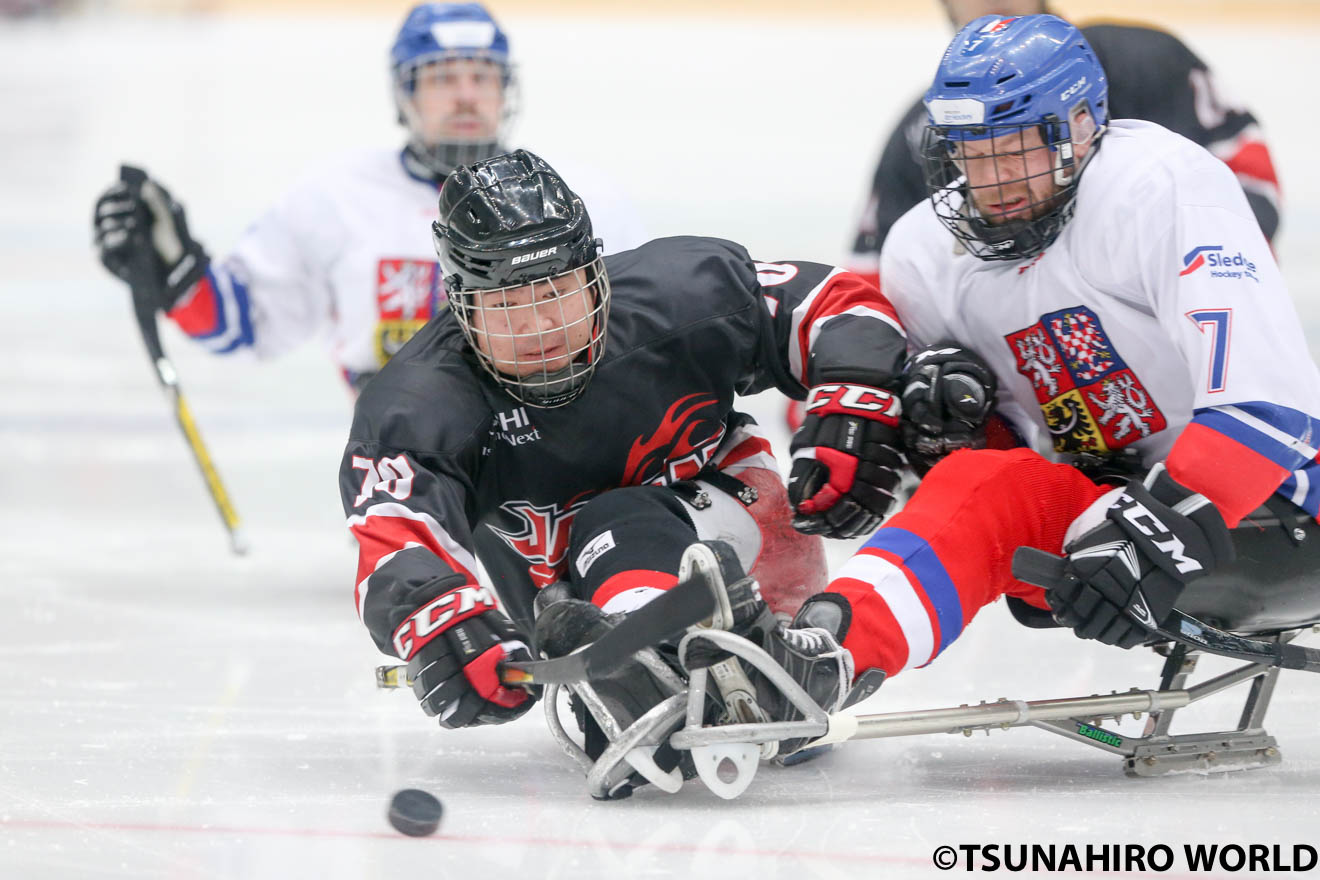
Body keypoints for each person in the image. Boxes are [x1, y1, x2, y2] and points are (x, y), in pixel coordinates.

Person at [761, 15, 1320, 701]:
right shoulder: (924, 253)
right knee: (980, 487)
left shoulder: (1162, 185)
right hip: (1122, 514)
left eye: (1015, 148)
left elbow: (1267, 405)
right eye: (970, 152)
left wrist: (1152, 533)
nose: (991, 180)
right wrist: (946, 431)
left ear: (1082, 125)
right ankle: (817, 664)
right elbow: (1010, 460)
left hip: (1280, 510)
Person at [339, 149, 911, 798]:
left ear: (596, 271)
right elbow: (392, 526)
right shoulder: (423, 400)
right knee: (587, 641)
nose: (540, 325)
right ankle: (655, 665)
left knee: (616, 519)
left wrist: (855, 400)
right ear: (463, 309)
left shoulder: (681, 296)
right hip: (574, 614)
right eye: (506, 303)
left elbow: (832, 305)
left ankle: (654, 654)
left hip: (752, 552)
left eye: (556, 289)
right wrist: (439, 619)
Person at [91, 2, 645, 392]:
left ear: (507, 89)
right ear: (405, 93)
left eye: (482, 76)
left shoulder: (580, 200)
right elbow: (245, 324)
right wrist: (177, 271)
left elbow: (642, 338)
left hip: (558, 450)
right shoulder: (335, 199)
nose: (466, 95)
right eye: (442, 77)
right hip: (408, 469)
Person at [846, 0, 1282, 292]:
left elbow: (1250, 187)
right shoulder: (924, 129)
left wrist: (1208, 282)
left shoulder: (1144, 58)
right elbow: (872, 286)